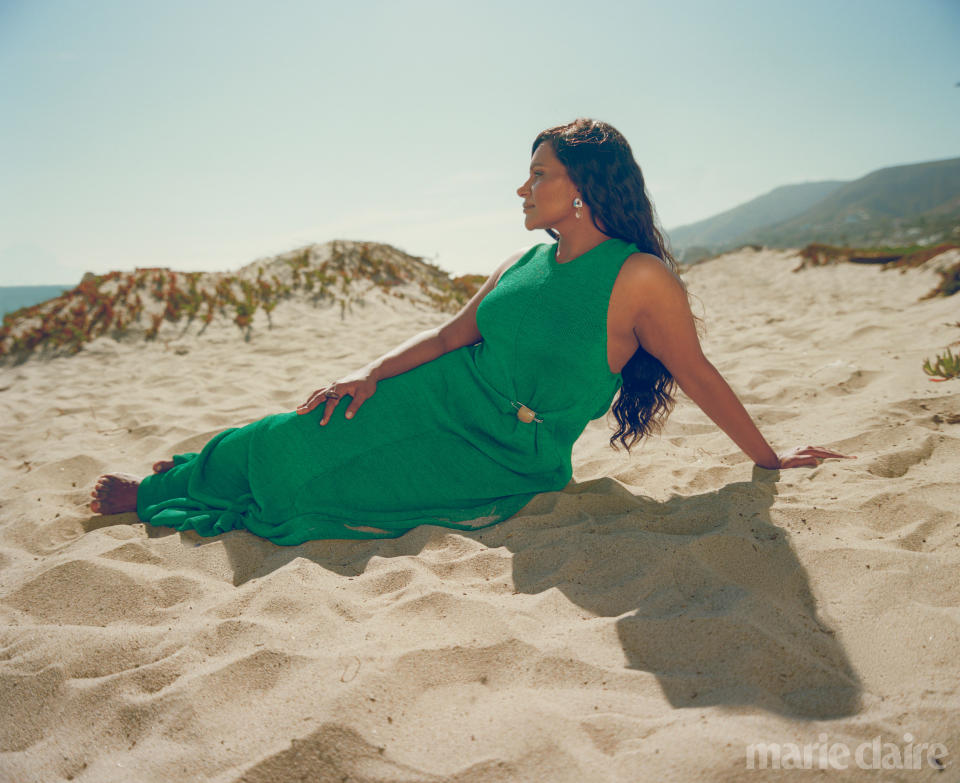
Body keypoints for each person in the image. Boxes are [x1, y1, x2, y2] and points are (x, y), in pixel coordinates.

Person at [89, 118, 851, 544]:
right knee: (293, 430)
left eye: (540, 174)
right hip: (434, 396)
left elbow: (700, 374)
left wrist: (770, 457)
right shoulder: (527, 258)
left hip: (501, 455)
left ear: (582, 187)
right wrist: (371, 372)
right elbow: (451, 334)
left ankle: (184, 482)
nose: (524, 187)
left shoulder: (641, 277)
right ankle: (176, 479)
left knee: (304, 486)